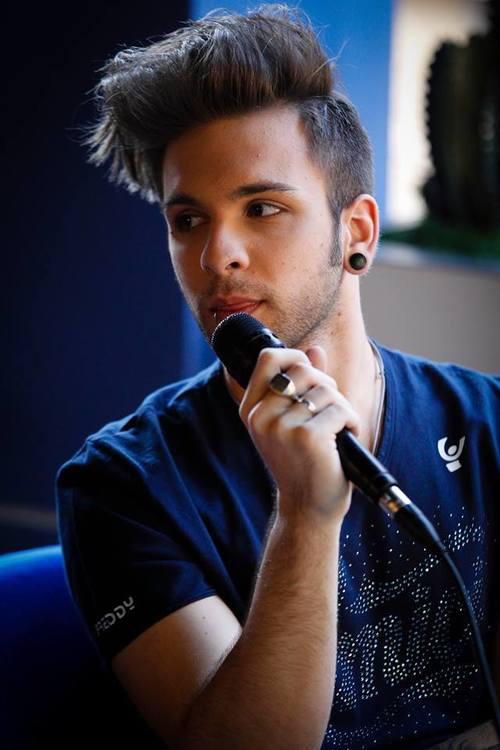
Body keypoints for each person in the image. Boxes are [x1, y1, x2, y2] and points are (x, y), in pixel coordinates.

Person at [56, 5, 500, 749]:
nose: (216, 255)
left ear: (356, 232)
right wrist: (304, 517)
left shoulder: (486, 423)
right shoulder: (121, 484)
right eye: (187, 221)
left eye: (261, 208)